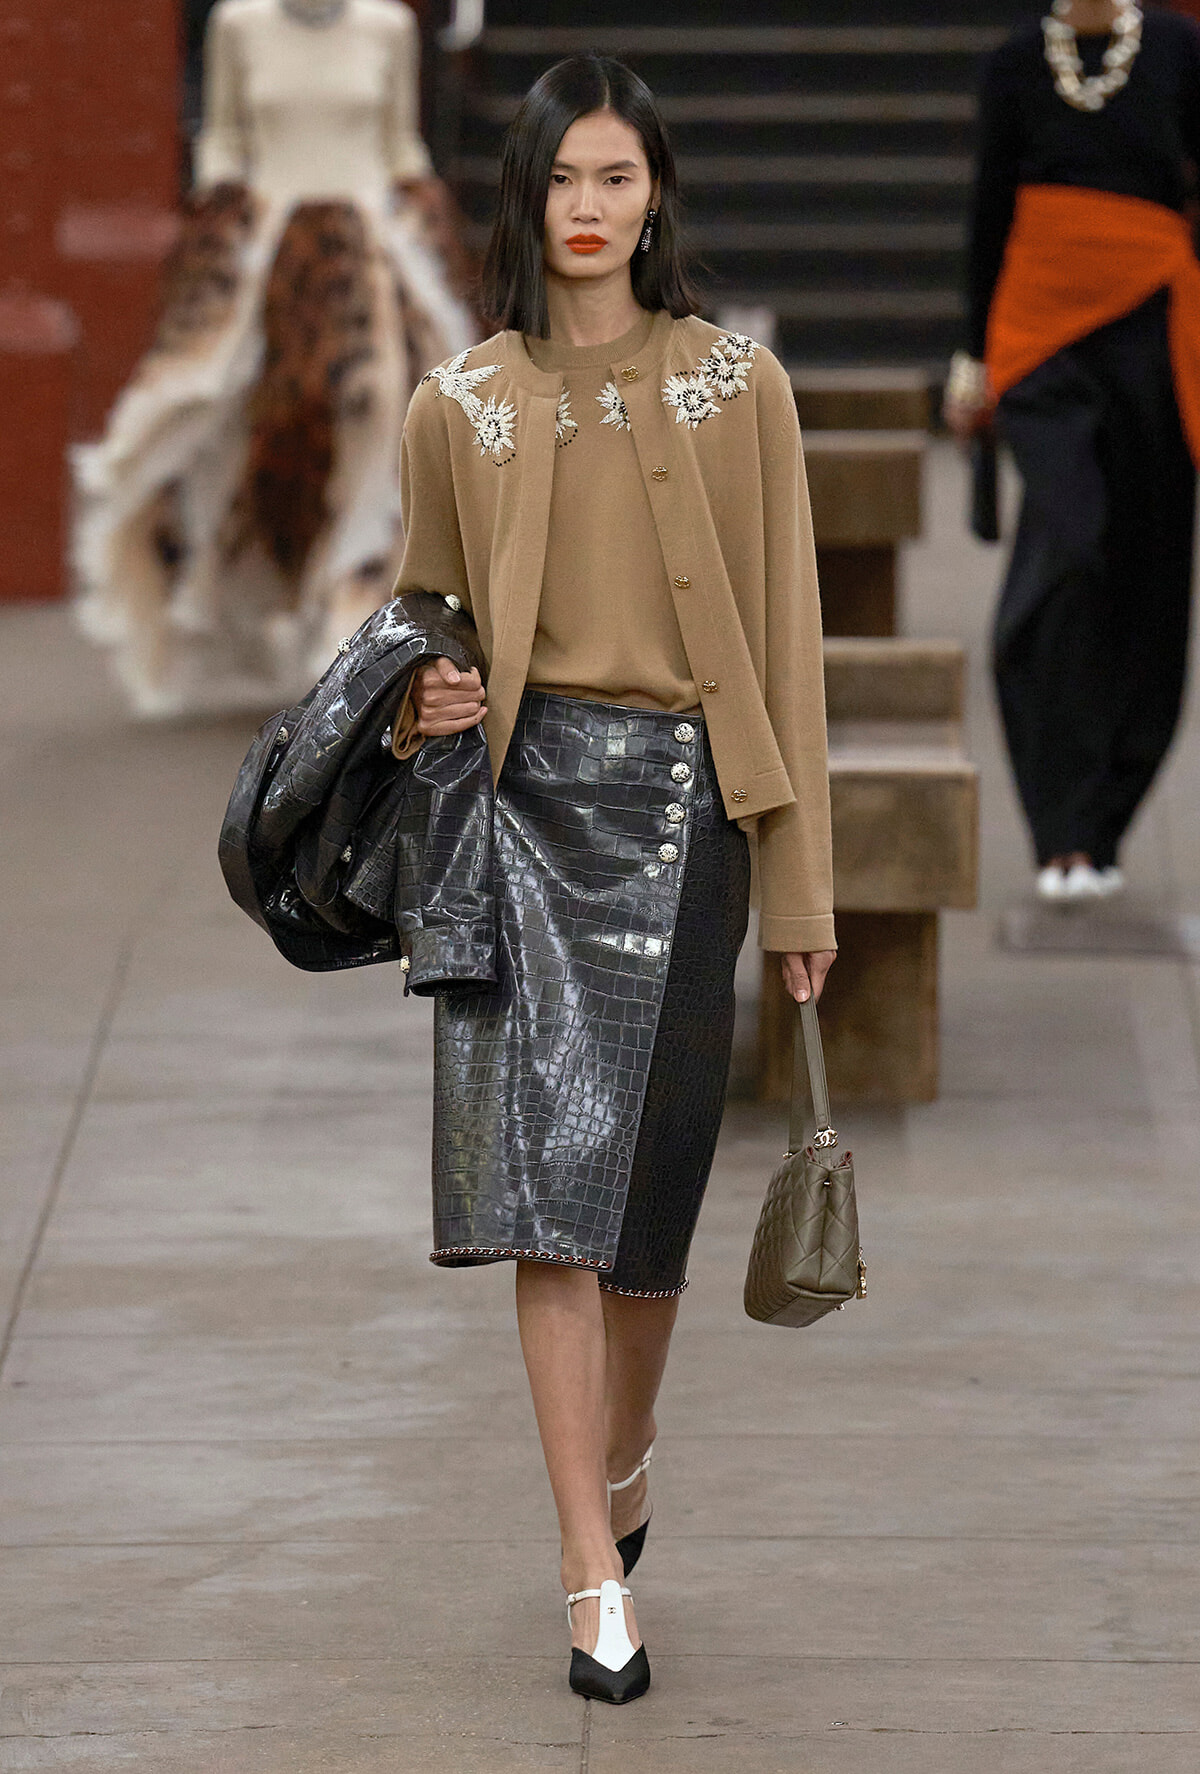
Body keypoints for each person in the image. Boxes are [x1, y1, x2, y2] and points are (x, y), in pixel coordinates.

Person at [390, 55, 835, 1703]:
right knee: (545, 1208)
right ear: (525, 197)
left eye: (618, 180)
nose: (589, 211)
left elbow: (789, 653)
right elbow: (420, 616)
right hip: (521, 822)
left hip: (693, 818)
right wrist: (419, 699)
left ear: (657, 198)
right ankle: (592, 1564)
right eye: (563, 181)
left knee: (648, 1212)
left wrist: (801, 901)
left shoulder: (742, 388)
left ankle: (627, 1453)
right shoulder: (463, 403)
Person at [73, 0, 476, 718]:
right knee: (220, 423)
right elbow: (224, 137)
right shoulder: (239, 23)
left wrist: (421, 226)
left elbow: (399, 144)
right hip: (263, 253)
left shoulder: (387, 26)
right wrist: (225, 225)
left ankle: (347, 613)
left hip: (369, 253)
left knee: (384, 413)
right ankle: (244, 600)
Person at [945, 0, 1200, 903]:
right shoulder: (1017, 61)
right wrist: (973, 355)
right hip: (1041, 340)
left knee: (1150, 569)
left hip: (1158, 335)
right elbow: (988, 205)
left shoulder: (1175, 47)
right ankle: (1058, 825)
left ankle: (1102, 825)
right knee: (1067, 550)